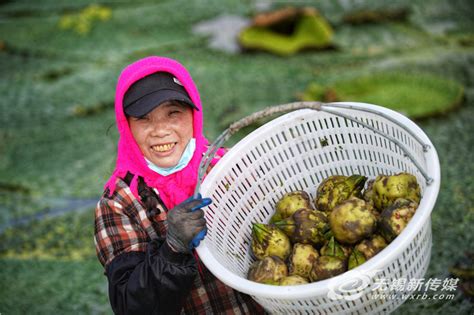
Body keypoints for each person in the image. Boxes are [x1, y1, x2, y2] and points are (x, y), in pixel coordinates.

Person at [94, 56, 265, 314]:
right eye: (144, 118)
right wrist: (172, 248)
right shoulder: (118, 203)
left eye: (173, 113)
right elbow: (131, 307)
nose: (160, 130)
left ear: (193, 115)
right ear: (126, 125)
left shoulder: (232, 167)